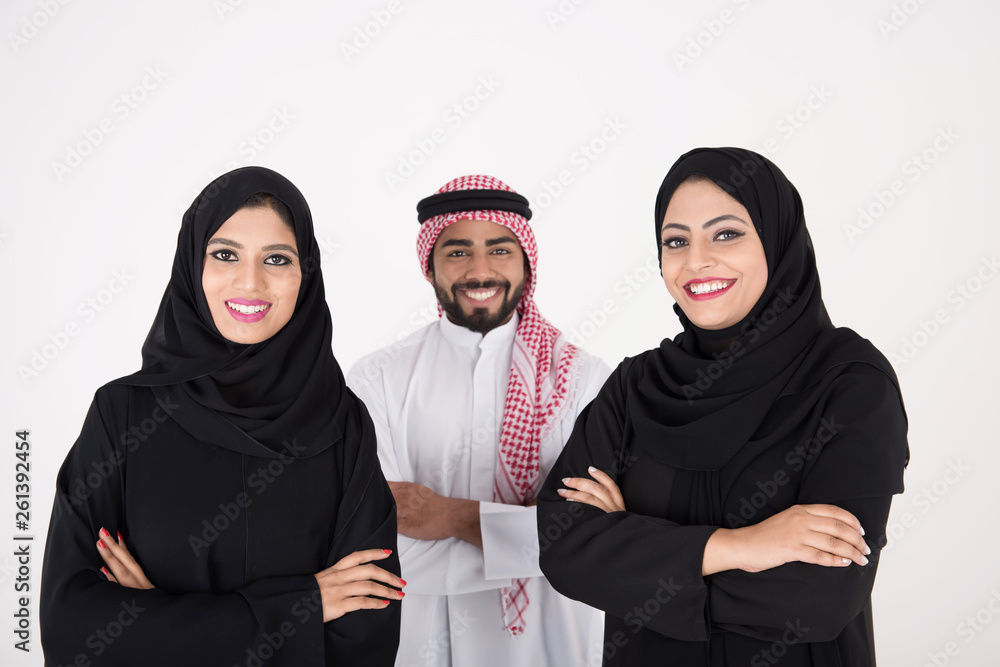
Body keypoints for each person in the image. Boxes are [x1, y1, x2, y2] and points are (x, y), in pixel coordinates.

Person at [537, 148, 909, 666]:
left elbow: (818, 599)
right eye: (676, 241)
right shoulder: (636, 385)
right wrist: (740, 547)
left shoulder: (849, 384)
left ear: (777, 241)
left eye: (726, 233)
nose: (696, 261)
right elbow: (564, 547)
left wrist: (631, 555)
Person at [40, 166, 403, 666]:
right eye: (225, 254)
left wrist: (157, 621)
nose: (250, 282)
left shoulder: (343, 423)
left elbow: (367, 637)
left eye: (276, 258)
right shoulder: (123, 414)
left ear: (307, 274)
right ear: (193, 266)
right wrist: (301, 609)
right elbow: (72, 632)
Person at [348, 175, 610, 667]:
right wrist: (529, 533)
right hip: (419, 646)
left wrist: (443, 516)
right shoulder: (378, 378)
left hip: (551, 647)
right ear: (430, 267)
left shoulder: (585, 379)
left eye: (499, 249)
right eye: (457, 252)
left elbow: (592, 542)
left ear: (526, 263)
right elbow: (378, 548)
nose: (480, 270)